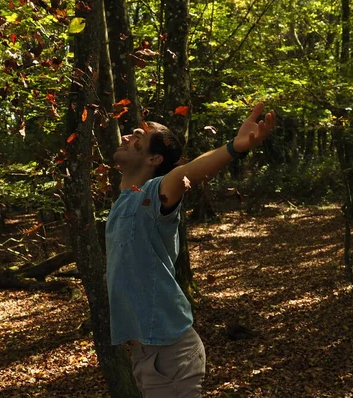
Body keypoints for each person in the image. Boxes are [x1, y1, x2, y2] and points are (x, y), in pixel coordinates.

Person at [106, 102, 276, 397]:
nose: (125, 137)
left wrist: (234, 148)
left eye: (137, 138)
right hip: (147, 353)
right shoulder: (123, 202)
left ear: (154, 159)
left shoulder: (153, 193)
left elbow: (186, 173)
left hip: (170, 353)